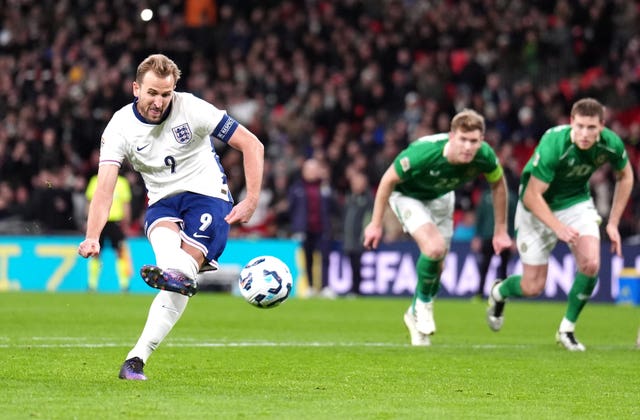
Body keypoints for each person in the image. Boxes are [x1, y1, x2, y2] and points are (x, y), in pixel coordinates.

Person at [77, 54, 264, 380]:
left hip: (208, 198)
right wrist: (93, 234)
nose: (159, 101)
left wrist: (252, 200)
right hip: (162, 200)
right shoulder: (120, 127)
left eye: (166, 94)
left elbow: (252, 144)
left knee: (182, 272)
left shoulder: (193, 109)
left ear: (174, 89)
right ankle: (172, 274)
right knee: (166, 245)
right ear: (136, 88)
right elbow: (105, 187)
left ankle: (137, 357)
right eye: (151, 93)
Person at [486, 98, 633, 351]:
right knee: (532, 287)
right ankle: (500, 291)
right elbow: (533, 195)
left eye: (591, 128)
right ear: (571, 122)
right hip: (536, 208)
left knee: (591, 263)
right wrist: (557, 227)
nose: (584, 134)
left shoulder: (611, 144)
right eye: (579, 126)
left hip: (575, 202)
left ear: (602, 126)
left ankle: (567, 329)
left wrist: (613, 223)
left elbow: (626, 175)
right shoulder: (555, 143)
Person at [363, 109, 512, 346]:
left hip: (442, 197)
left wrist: (501, 230)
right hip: (408, 196)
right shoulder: (425, 153)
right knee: (433, 248)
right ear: (452, 136)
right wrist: (375, 223)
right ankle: (423, 304)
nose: (467, 146)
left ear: (481, 141)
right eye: (462, 139)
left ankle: (413, 313)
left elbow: (498, 185)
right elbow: (388, 180)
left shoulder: (485, 156)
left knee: (438, 265)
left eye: (473, 141)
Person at [85, 173, 133, 292]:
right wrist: (89, 221)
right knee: (95, 252)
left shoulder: (122, 182)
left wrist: (126, 222)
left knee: (120, 253)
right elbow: (89, 202)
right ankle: (92, 285)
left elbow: (125, 204)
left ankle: (124, 285)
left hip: (115, 221)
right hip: (99, 221)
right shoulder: (95, 180)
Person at [471, 184, 517, 299]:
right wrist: (477, 236)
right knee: (484, 266)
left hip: (505, 237)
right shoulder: (485, 195)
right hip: (488, 236)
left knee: (504, 267)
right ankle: (479, 292)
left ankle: (502, 294)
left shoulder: (511, 197)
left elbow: (515, 218)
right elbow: (480, 217)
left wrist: (514, 238)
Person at [342, 170, 373, 296]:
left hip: (359, 240)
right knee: (351, 266)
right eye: (354, 182)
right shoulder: (349, 199)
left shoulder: (368, 200)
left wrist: (364, 239)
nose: (356, 185)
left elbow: (368, 220)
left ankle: (357, 290)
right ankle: (354, 289)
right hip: (348, 239)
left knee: (358, 266)